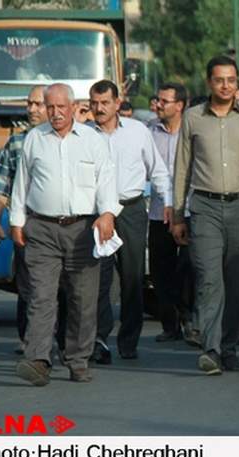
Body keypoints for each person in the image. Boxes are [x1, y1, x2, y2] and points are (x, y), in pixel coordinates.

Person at [172, 55, 239, 375]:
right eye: (219, 80)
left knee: (235, 282)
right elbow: (182, 168)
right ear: (209, 82)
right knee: (209, 280)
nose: (225, 86)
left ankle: (229, 346)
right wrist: (178, 215)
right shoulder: (193, 118)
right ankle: (211, 348)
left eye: (231, 80)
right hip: (204, 207)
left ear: (238, 83)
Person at [10, 83, 120, 386]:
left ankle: (77, 359)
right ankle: (38, 360)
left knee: (82, 299)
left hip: (83, 230)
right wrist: (16, 220)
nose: (56, 113)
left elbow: (106, 180)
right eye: (51, 107)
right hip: (42, 229)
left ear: (73, 107)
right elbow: (22, 182)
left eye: (61, 107)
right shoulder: (35, 138)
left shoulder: (92, 140)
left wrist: (107, 213)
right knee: (41, 296)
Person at [89, 79, 173, 362]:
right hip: (97, 212)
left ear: (117, 103)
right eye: (94, 103)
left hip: (131, 209)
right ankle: (99, 339)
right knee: (98, 278)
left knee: (132, 277)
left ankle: (128, 340)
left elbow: (157, 170)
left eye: (105, 103)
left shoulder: (138, 131)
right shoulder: (85, 135)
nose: (99, 109)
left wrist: (168, 204)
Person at [0, 85, 66, 354]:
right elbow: (1, 187)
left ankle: (66, 340)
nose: (32, 109)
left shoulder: (68, 141)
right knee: (29, 285)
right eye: (29, 103)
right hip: (28, 225)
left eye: (38, 104)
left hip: (64, 226)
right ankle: (30, 340)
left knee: (65, 287)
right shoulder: (17, 143)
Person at [149, 82, 198, 345]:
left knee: (188, 267)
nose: (158, 105)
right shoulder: (149, 132)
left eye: (164, 101)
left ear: (179, 105)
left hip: (188, 209)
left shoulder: (192, 132)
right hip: (158, 212)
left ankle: (189, 318)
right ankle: (170, 325)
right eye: (158, 100)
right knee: (161, 270)